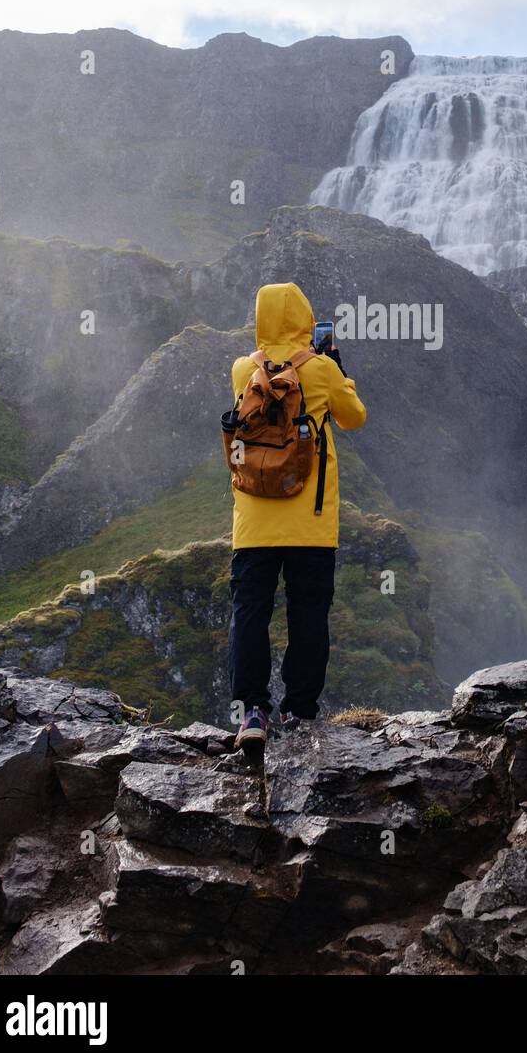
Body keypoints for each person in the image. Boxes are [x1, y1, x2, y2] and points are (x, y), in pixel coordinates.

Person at [228, 281, 366, 746]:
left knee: (250, 611)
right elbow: (354, 417)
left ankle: (251, 713)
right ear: (307, 319)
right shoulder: (322, 369)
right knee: (308, 614)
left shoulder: (243, 369)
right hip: (310, 520)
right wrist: (339, 371)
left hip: (253, 523)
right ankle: (300, 712)